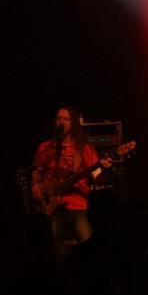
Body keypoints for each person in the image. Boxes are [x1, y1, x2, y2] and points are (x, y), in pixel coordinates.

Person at [30, 106, 105, 255]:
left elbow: (98, 179)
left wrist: (104, 169)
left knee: (89, 248)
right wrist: (36, 186)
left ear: (73, 123)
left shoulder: (84, 149)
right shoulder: (46, 148)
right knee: (46, 249)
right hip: (49, 205)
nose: (62, 122)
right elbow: (36, 173)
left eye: (66, 119)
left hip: (78, 204)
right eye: (59, 118)